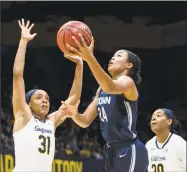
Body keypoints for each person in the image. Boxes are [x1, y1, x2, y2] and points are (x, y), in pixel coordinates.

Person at [60, 34, 149, 171]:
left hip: (128, 147)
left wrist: (89, 57)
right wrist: (74, 114)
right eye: (113, 55)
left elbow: (111, 87)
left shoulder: (128, 83)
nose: (113, 58)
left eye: (119, 56)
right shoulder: (101, 89)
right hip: (110, 149)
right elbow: (85, 121)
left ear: (129, 65)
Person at [12, 19, 83, 172]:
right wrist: (23, 41)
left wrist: (80, 66)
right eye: (38, 98)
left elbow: (73, 100)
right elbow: (18, 75)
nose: (44, 100)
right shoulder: (23, 116)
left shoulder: (50, 122)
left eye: (47, 98)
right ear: (28, 103)